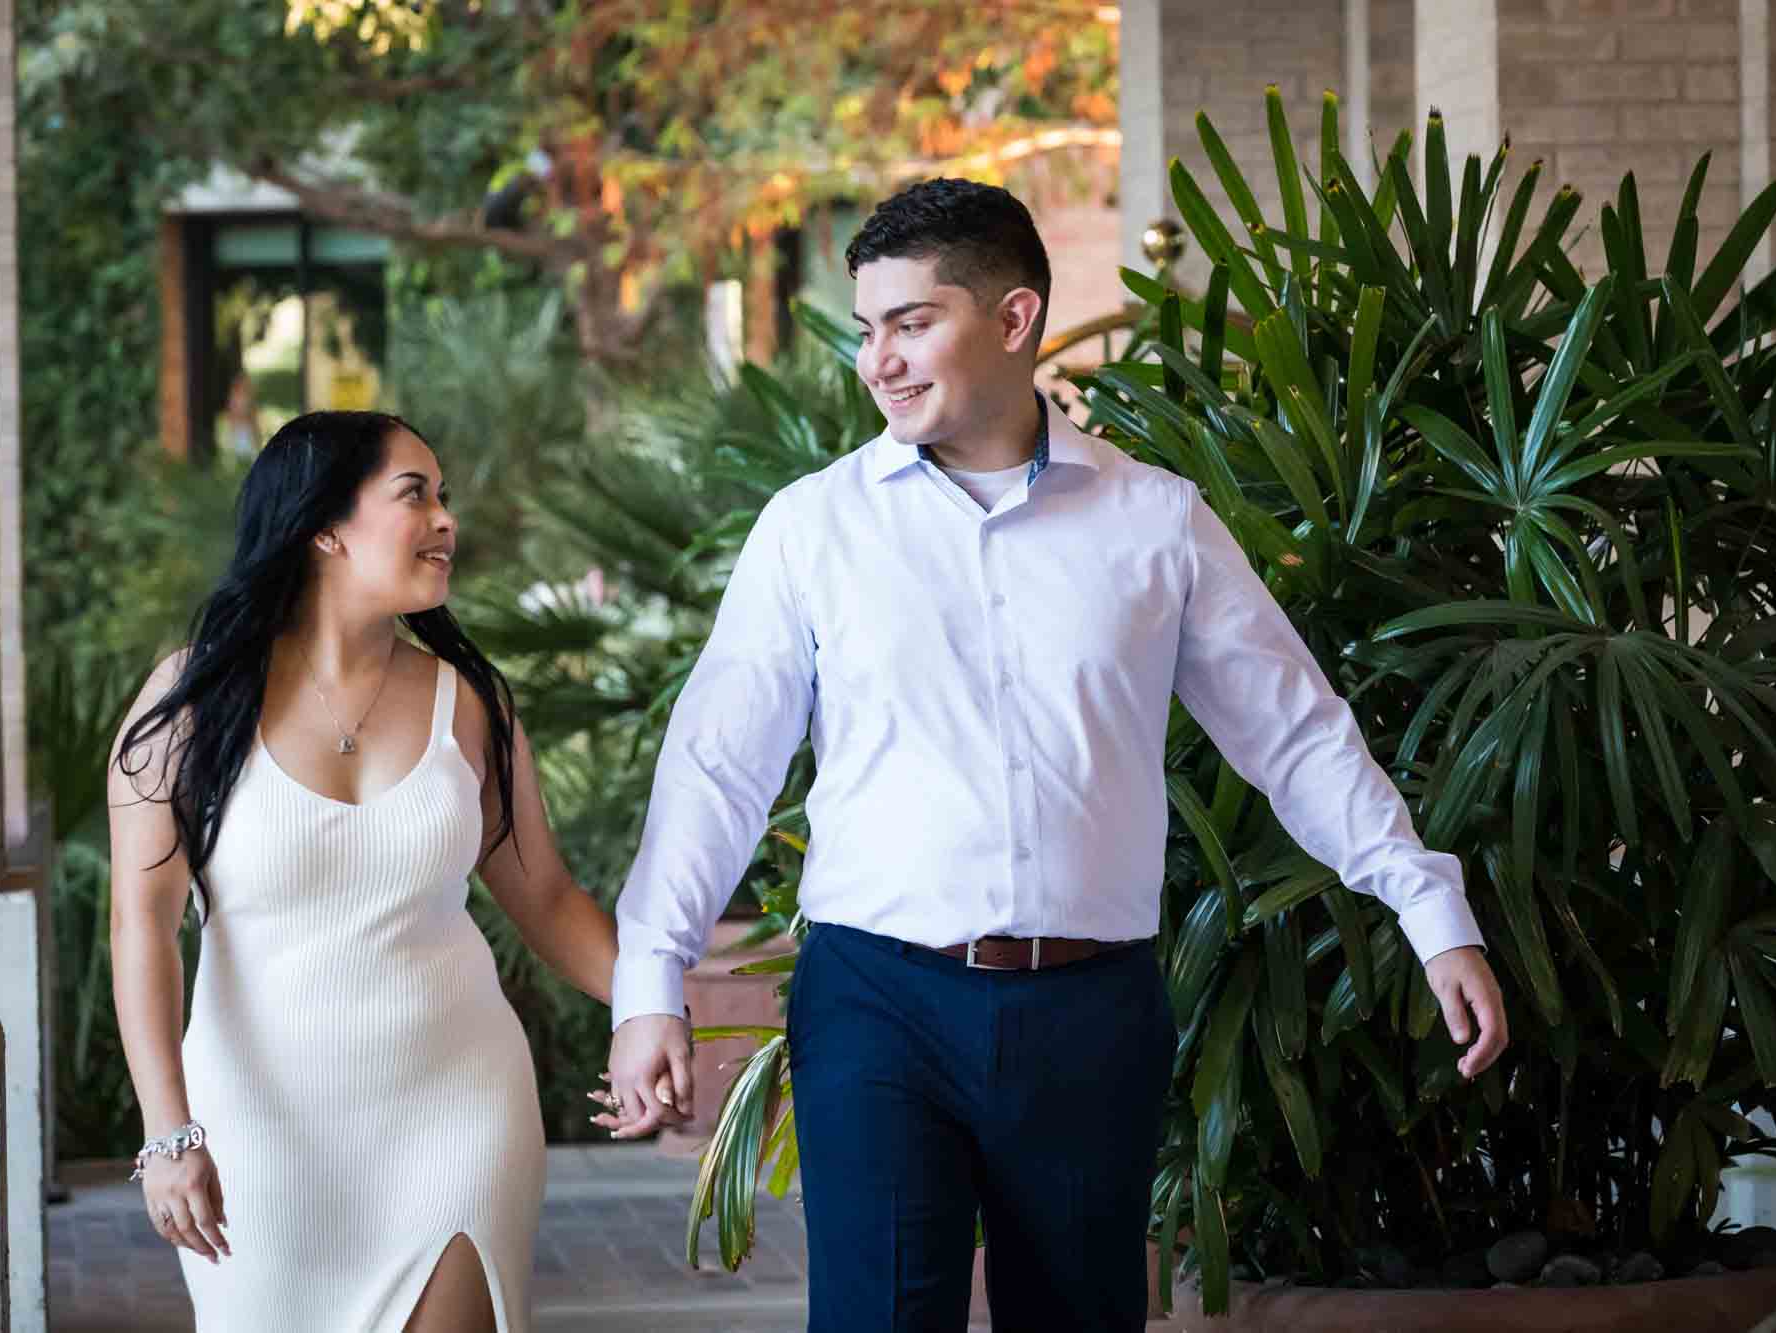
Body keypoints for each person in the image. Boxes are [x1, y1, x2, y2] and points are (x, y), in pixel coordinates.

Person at [602, 179, 1511, 1331]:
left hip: (1091, 1009)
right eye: (865, 328)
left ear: (1015, 317)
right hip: (878, 998)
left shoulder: (1155, 520)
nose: (877, 359)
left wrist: (1426, 908)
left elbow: (1293, 731)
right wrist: (652, 982)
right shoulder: (812, 528)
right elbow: (717, 770)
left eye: (912, 322)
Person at [108, 410, 628, 1332]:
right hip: (258, 1135)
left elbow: (544, 898)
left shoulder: (470, 703)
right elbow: (141, 926)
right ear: (324, 525)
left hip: (457, 1112)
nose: (445, 519)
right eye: (414, 494)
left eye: (444, 497)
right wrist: (168, 1133)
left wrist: (657, 1006)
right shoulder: (189, 703)